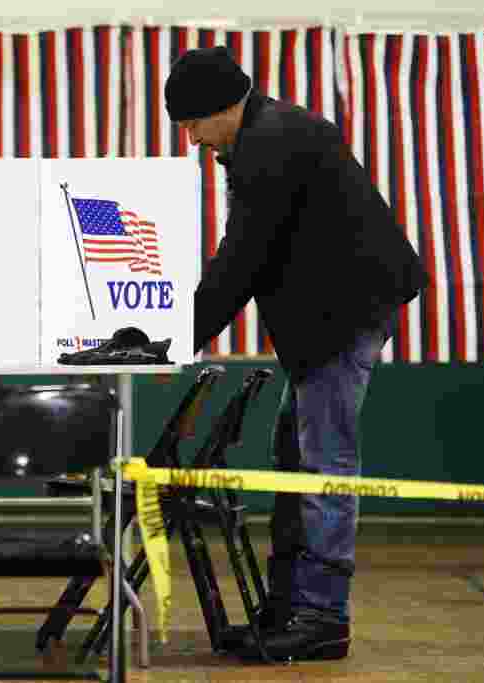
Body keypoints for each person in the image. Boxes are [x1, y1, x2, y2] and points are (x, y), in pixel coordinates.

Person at [164, 46, 429, 662]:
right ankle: (287, 607)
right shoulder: (266, 134)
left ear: (223, 107)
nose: (190, 136)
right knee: (296, 455)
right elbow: (251, 257)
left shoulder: (273, 143)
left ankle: (321, 617)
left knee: (324, 463)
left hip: (342, 318)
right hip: (330, 317)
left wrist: (178, 338)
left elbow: (241, 259)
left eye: (193, 122)